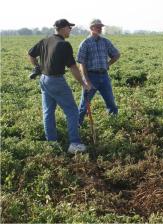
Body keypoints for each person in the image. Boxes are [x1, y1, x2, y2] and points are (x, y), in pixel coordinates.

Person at [28, 19, 91, 153]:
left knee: (48, 112)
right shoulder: (64, 44)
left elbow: (31, 54)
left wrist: (37, 67)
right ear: (62, 28)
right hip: (56, 81)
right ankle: (74, 144)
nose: (70, 30)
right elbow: (73, 67)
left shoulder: (45, 40)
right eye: (69, 27)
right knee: (72, 112)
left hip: (44, 79)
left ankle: (52, 143)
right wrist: (83, 84)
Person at [77, 19, 120, 125]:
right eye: (98, 27)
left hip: (104, 76)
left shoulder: (105, 42)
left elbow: (116, 54)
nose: (100, 28)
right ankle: (77, 125)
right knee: (84, 105)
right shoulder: (85, 43)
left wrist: (108, 64)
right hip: (91, 76)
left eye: (101, 27)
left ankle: (113, 125)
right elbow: (81, 63)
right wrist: (86, 80)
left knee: (111, 104)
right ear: (91, 28)